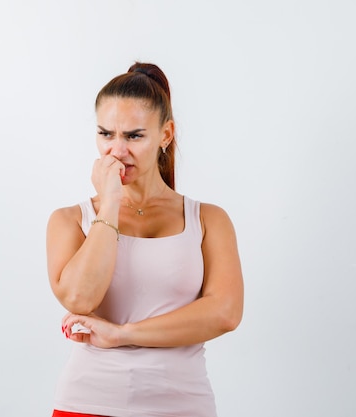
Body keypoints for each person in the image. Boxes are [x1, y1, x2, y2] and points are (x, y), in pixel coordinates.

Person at [46, 62, 244, 417]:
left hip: (183, 406)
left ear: (165, 134)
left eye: (134, 136)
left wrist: (123, 334)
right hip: (88, 402)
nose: (117, 151)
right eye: (106, 134)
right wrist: (109, 203)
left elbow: (224, 314)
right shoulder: (70, 220)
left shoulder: (209, 220)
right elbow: (80, 297)